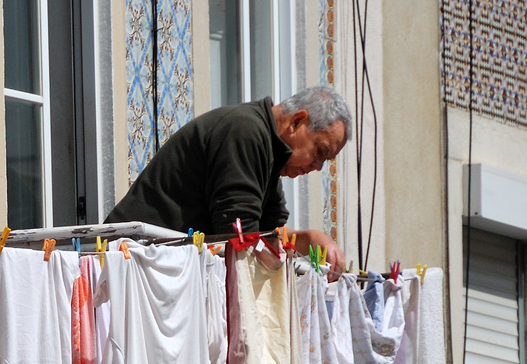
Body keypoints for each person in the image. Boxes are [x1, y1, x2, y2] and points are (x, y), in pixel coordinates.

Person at [106, 85, 351, 272]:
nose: (318, 167)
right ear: (297, 121)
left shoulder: (269, 148)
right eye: (320, 152)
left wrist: (308, 239)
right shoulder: (245, 131)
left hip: (157, 266)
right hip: (131, 263)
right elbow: (239, 239)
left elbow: (266, 234)